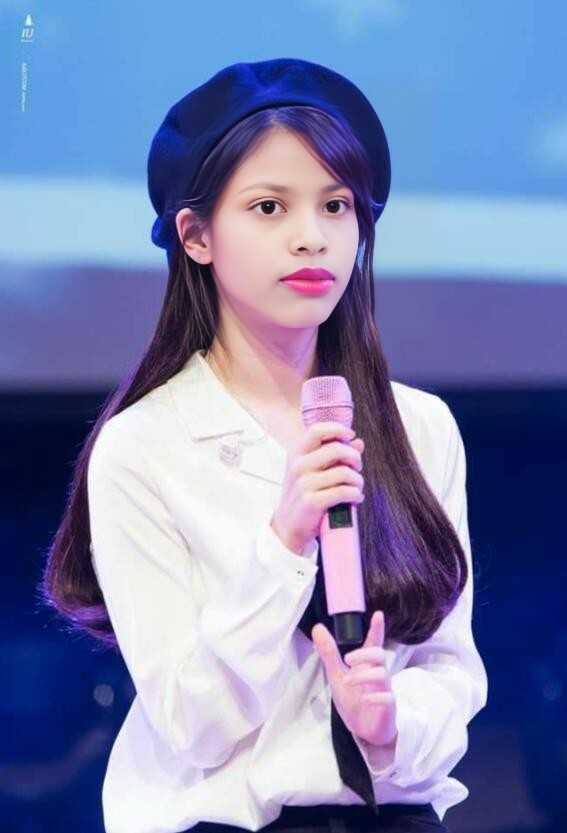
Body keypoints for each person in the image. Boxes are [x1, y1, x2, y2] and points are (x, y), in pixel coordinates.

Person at [41, 57, 488, 833]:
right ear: (196, 235)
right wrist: (284, 540)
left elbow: (450, 665)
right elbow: (190, 725)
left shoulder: (420, 427)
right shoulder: (143, 446)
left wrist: (392, 724)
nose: (311, 238)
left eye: (335, 206)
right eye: (269, 207)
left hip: (393, 813)